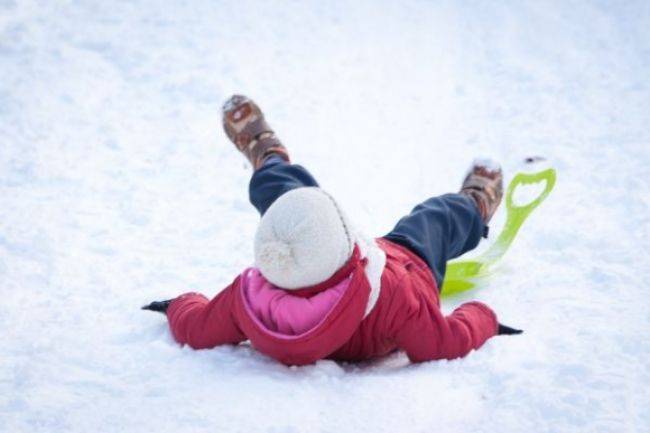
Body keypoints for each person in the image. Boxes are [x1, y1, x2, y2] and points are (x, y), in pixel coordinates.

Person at [142, 95, 522, 366]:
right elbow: (442, 343)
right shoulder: (397, 298)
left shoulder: (250, 299)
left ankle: (267, 154)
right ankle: (476, 203)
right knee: (434, 218)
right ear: (349, 243)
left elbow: (198, 327)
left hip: (316, 258)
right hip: (410, 262)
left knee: (288, 198)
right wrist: (483, 317)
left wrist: (178, 305)